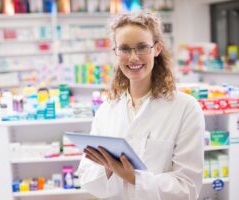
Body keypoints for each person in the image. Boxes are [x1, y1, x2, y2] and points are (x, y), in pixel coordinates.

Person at [77, 11, 205, 200]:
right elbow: (86, 175)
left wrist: (133, 177)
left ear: (157, 49)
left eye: (142, 47)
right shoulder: (107, 109)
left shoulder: (186, 108)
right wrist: (108, 168)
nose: (133, 57)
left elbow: (188, 187)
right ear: (116, 52)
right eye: (125, 49)